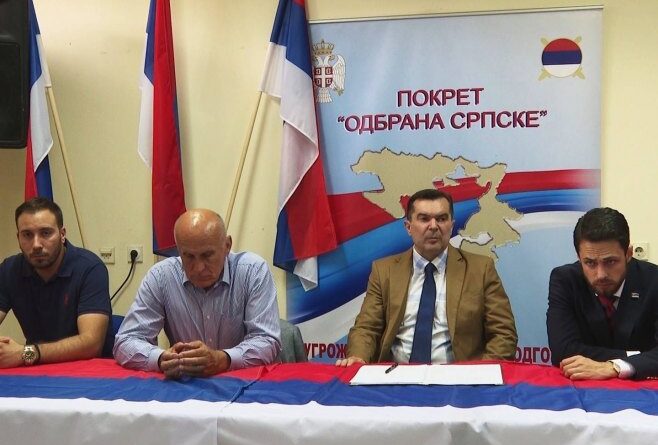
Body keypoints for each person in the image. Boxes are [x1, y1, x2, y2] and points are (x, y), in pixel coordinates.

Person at [336, 189, 517, 367]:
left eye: (441, 219)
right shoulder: (385, 271)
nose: (433, 226)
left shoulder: (481, 269)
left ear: (451, 225)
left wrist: (479, 375)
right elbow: (367, 328)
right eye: (424, 219)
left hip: (459, 380)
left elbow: (503, 333)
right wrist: (358, 358)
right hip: (396, 377)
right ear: (408, 227)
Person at [113, 209, 281, 378]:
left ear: (227, 246)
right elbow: (126, 341)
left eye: (207, 255)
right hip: (187, 384)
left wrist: (223, 359)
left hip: (246, 381)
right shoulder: (161, 277)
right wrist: (160, 358)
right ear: (178, 251)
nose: (199, 268)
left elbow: (267, 341)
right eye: (189, 257)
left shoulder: (253, 271)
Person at [547, 207, 658, 380]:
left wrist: (615, 367)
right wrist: (636, 357)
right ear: (579, 257)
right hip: (583, 389)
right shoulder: (565, 280)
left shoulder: (654, 281)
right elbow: (563, 351)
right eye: (590, 263)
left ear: (628, 254)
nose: (601, 275)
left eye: (610, 262)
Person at [0, 198, 111, 368]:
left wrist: (26, 353)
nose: (36, 245)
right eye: (27, 235)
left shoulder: (90, 268)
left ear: (62, 234)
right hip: (35, 370)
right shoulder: (10, 269)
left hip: (87, 371)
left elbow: (91, 345)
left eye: (45, 233)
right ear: (18, 237)